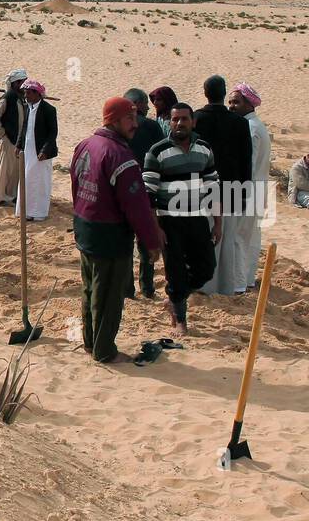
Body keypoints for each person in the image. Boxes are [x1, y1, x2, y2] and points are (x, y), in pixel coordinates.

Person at [69, 97, 164, 363]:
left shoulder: (85, 145)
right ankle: (104, 350)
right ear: (113, 120)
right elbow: (137, 207)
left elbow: (76, 187)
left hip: (85, 228)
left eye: (135, 117)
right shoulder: (120, 157)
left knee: (90, 288)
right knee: (109, 295)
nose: (135, 124)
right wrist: (151, 242)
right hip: (109, 235)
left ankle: (90, 342)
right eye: (129, 118)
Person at [143, 103, 221, 336]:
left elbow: (214, 188)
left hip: (198, 218)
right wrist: (156, 228)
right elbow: (148, 196)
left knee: (207, 269)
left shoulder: (205, 149)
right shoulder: (157, 151)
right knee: (175, 271)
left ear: (192, 122)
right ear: (169, 122)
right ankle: (180, 320)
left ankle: (175, 299)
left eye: (184, 119)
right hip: (170, 221)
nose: (179, 123)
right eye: (174, 119)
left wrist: (218, 223)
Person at [194, 75, 253, 296]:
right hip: (232, 189)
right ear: (223, 92)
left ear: (205, 92)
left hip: (203, 188)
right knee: (227, 239)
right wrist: (245, 193)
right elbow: (246, 160)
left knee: (205, 236)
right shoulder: (240, 123)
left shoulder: (197, 118)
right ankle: (225, 286)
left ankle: (204, 285)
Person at [228, 82, 272, 291]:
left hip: (249, 191)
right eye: (229, 102)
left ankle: (238, 284)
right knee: (251, 238)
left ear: (249, 104)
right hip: (259, 191)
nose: (231, 106)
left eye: (236, 102)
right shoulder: (257, 125)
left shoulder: (250, 127)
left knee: (239, 237)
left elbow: (250, 164)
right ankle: (246, 279)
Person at [124, 87, 165, 299]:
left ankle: (127, 289)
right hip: (147, 190)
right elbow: (162, 155)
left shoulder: (117, 126)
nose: (148, 109)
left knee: (125, 241)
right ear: (138, 104)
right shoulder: (152, 126)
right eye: (146, 105)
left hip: (123, 191)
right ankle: (147, 288)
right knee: (146, 240)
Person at [15, 80, 57, 222]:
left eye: (28, 93)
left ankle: (39, 213)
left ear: (36, 94)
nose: (25, 96)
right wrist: (18, 145)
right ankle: (25, 211)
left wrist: (45, 150)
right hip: (28, 151)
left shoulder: (49, 110)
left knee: (40, 182)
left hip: (41, 153)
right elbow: (24, 128)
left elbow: (53, 133)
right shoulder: (28, 108)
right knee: (26, 179)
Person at [0, 69, 27, 205]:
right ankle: (0, 198)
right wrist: (3, 135)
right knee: (5, 170)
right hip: (9, 139)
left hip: (18, 140)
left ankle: (11, 196)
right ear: (16, 83)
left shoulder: (21, 98)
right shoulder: (8, 97)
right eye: (23, 82)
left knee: (15, 171)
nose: (25, 85)